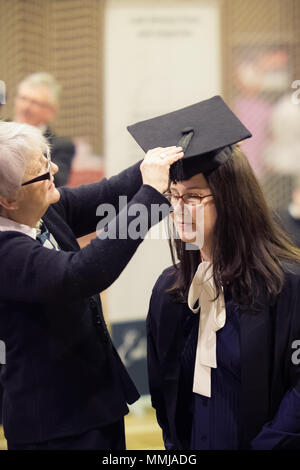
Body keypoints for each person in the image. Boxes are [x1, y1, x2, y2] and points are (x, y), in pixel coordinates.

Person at [129, 96, 300, 450]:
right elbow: (164, 392)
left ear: (231, 200)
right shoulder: (170, 290)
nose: (177, 209)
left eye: (192, 197)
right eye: (173, 196)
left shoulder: (286, 284)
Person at [0, 120, 183, 450]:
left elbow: (111, 192)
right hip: (55, 427)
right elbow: (82, 274)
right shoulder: (6, 253)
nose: (55, 168)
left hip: (93, 407)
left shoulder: (44, 209)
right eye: (42, 170)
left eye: (47, 157)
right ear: (9, 200)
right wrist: (152, 196)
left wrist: (166, 158)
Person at [14, 72, 75, 187]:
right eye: (23, 98)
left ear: (51, 111)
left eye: (34, 102)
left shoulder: (62, 146)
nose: (26, 107)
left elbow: (55, 183)